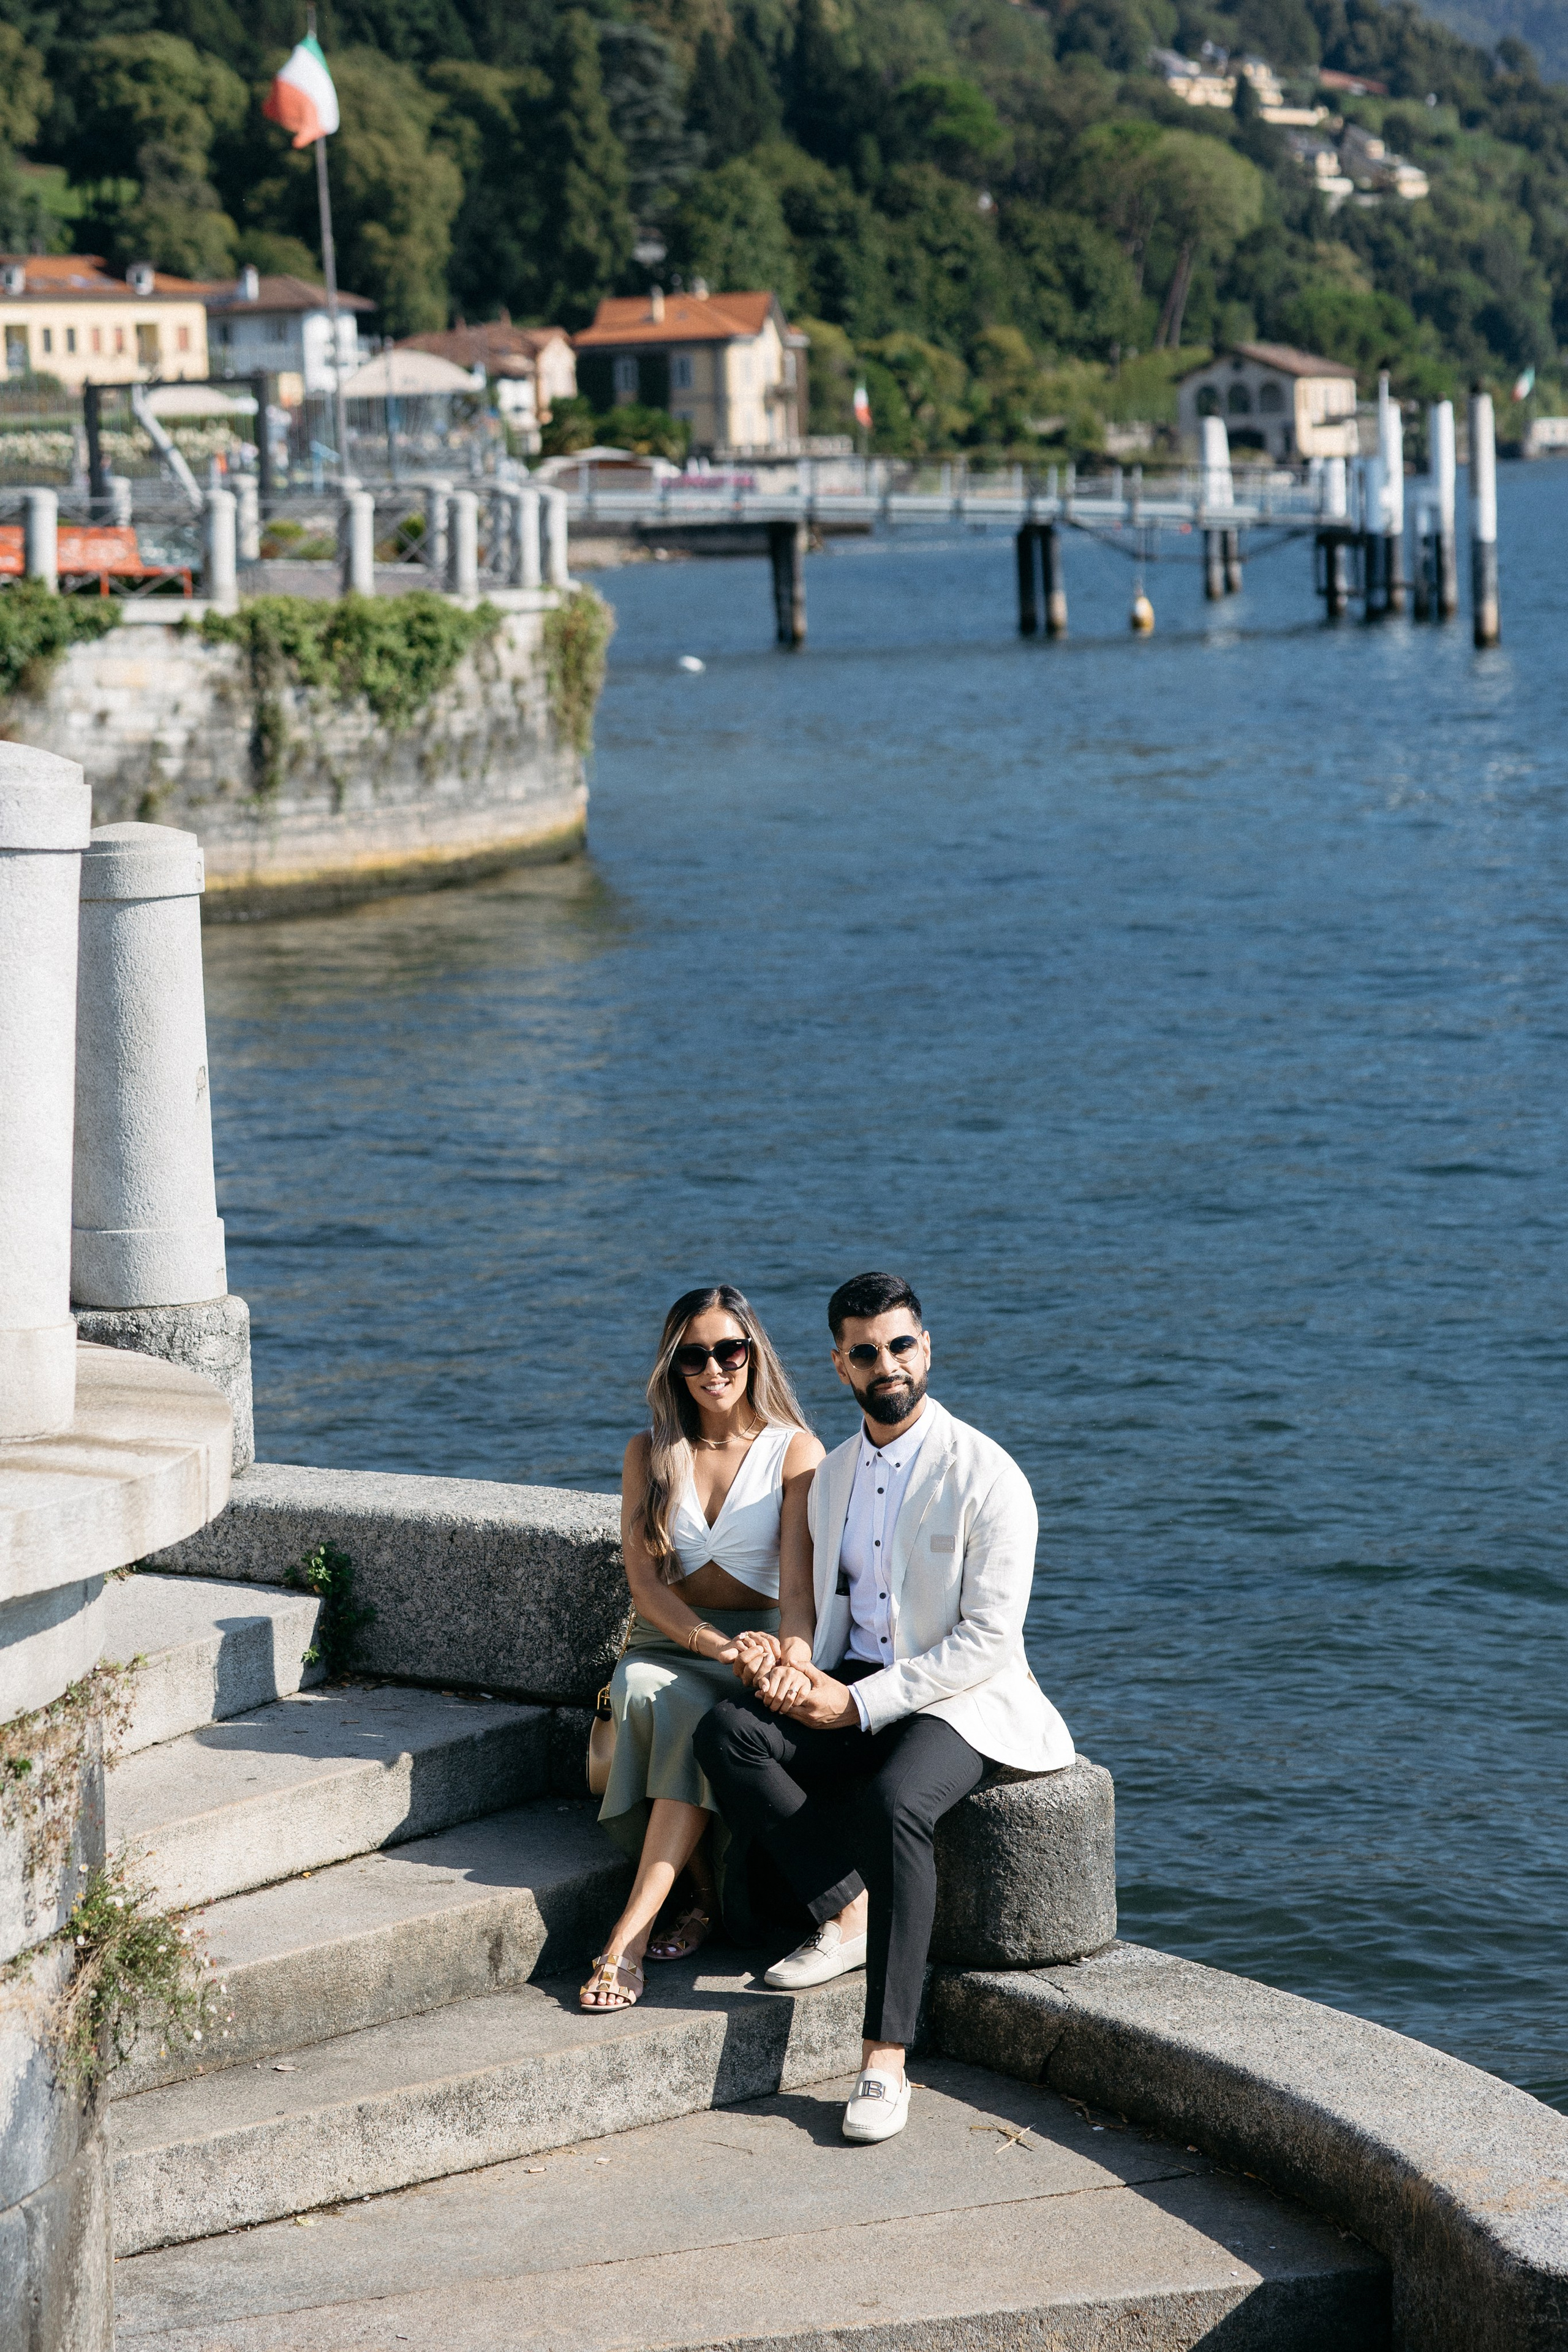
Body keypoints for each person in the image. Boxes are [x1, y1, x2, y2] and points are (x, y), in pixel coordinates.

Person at [695, 1270, 1073, 2142]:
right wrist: (794, 1671)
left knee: (899, 1801)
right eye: (866, 1353)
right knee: (728, 1733)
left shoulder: (989, 1476)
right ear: (840, 1366)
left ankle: (885, 2061)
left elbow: (987, 1641)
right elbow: (824, 1615)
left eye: (901, 1346)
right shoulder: (828, 1479)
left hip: (961, 1702)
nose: (887, 1364)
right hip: (851, 1683)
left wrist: (856, 1707)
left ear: (926, 1349)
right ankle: (845, 1907)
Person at [581, 1284, 823, 2012]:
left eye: (729, 1350)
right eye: (694, 1356)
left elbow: (803, 1593)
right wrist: (718, 1648)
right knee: (648, 1689)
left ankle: (628, 1936)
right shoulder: (649, 1452)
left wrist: (790, 1660)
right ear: (673, 1367)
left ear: (753, 1353)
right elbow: (646, 1588)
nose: (713, 1368)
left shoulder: (795, 1451)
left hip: (761, 1643)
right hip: (677, 1639)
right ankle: (696, 1893)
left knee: (681, 1710)